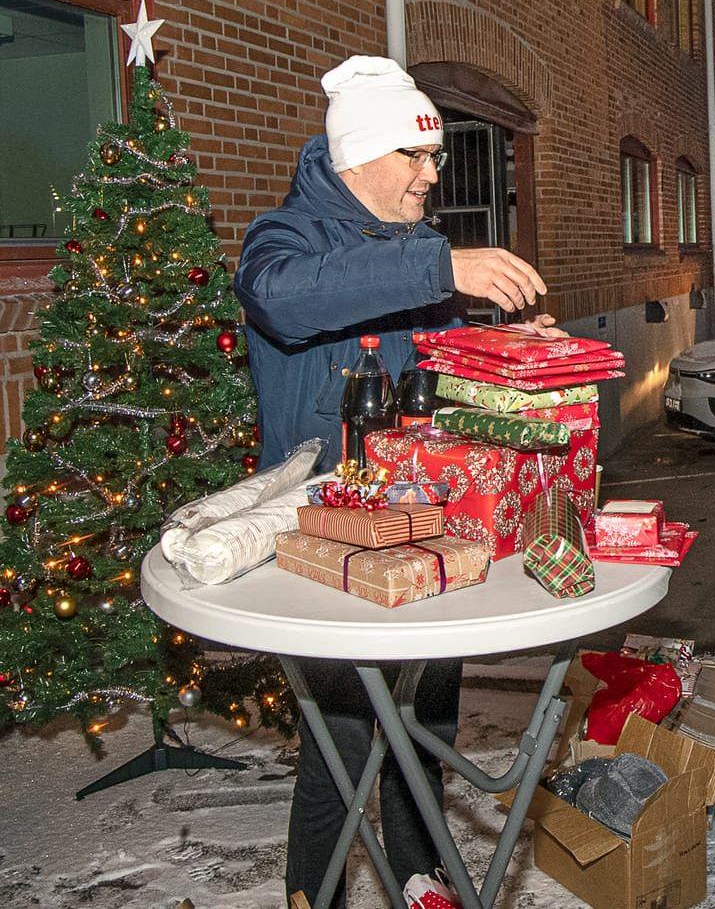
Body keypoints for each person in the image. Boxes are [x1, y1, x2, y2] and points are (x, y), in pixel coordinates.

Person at [234, 55, 558, 908]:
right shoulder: (284, 238)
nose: (432, 174)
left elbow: (438, 375)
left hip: (428, 519)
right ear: (356, 160)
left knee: (426, 724)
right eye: (415, 157)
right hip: (326, 534)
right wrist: (439, 271)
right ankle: (319, 894)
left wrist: (508, 350)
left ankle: (421, 880)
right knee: (339, 741)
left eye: (435, 157)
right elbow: (286, 300)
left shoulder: (419, 248)